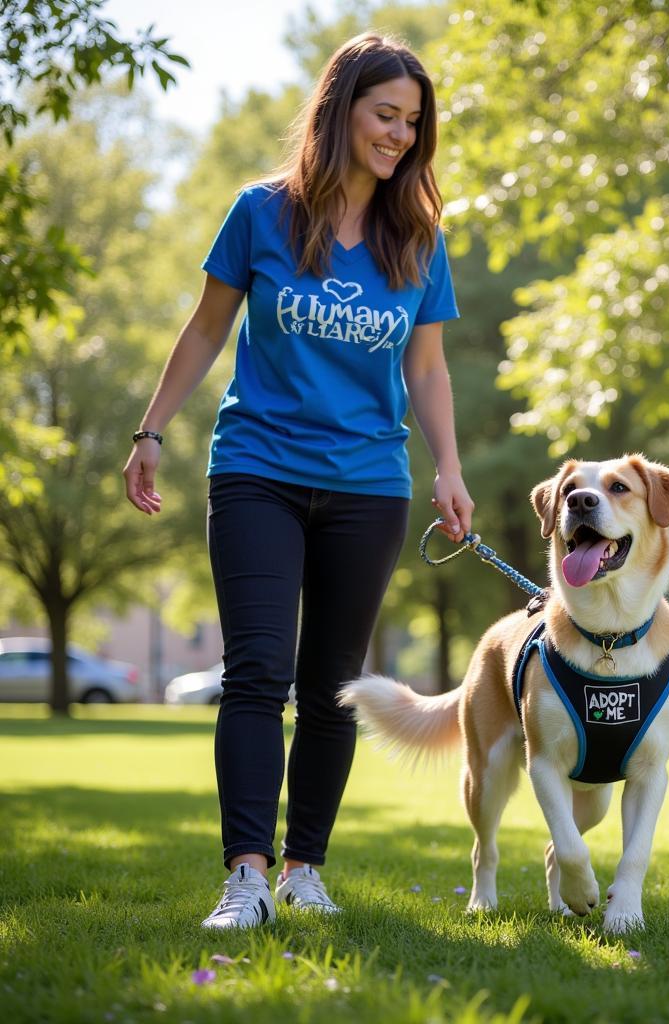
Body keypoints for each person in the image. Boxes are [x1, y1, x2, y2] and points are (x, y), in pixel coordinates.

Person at [123, 33, 473, 929]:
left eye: (412, 123)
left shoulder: (418, 237)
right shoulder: (260, 213)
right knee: (256, 674)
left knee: (331, 687)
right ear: (342, 108)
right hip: (257, 472)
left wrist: (450, 471)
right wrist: (151, 429)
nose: (399, 135)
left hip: (368, 485)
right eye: (385, 114)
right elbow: (205, 329)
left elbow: (428, 370)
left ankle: (304, 870)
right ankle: (245, 874)